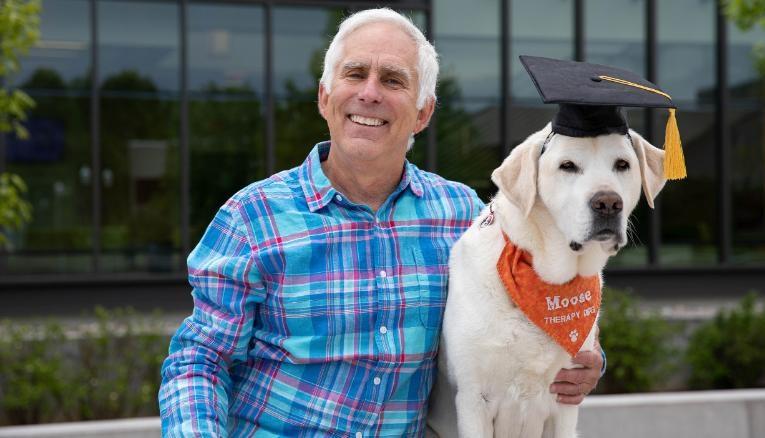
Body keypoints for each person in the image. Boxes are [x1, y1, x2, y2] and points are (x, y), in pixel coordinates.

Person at [158, 8, 603, 437]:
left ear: (423, 112)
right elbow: (201, 359)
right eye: (354, 74)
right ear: (324, 97)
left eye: (393, 80)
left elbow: (537, 303)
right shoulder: (251, 218)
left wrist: (582, 354)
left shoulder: (466, 217)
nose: (370, 93)